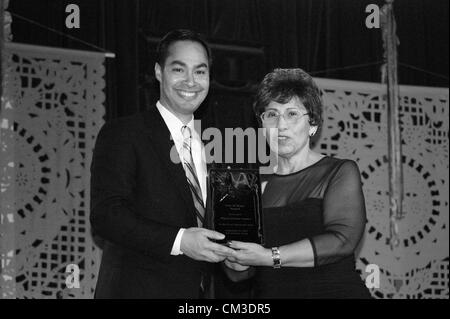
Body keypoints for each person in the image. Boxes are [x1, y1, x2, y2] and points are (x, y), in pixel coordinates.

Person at [90, 29, 235, 298]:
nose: (190, 82)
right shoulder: (124, 133)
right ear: (159, 72)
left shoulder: (216, 147)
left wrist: (236, 253)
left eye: (200, 72)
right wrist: (181, 241)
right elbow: (106, 216)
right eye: (179, 70)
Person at [223, 68, 372, 298]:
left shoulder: (338, 171)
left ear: (312, 124)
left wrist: (269, 256)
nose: (281, 125)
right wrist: (235, 258)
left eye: (292, 114)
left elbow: (342, 241)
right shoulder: (242, 184)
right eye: (271, 114)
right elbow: (239, 275)